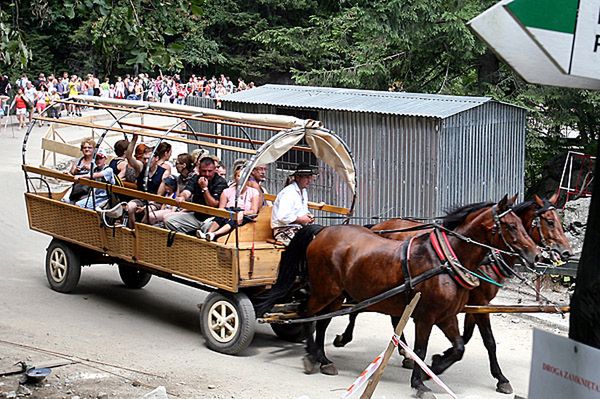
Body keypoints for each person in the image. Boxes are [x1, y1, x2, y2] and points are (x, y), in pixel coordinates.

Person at [164, 156, 228, 234]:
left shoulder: (220, 182)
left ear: (214, 170)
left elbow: (213, 204)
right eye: (204, 171)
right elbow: (187, 191)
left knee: (207, 229)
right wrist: (182, 197)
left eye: (210, 171)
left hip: (212, 218)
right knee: (169, 221)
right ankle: (186, 240)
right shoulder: (196, 178)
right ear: (199, 170)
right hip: (196, 216)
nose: (207, 174)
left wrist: (204, 188)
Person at [197, 163, 260, 241]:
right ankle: (208, 233)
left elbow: (254, 211)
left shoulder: (253, 192)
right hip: (229, 212)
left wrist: (242, 213)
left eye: (244, 176)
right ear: (235, 177)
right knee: (222, 215)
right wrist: (226, 213)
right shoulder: (227, 191)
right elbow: (221, 208)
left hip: (244, 216)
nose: (241, 179)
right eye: (238, 176)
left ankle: (214, 234)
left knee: (234, 218)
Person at [271, 162, 317, 246]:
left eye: (310, 177)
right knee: (307, 244)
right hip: (283, 230)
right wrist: (301, 219)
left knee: (318, 239)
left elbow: (303, 211)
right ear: (298, 177)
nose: (309, 180)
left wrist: (309, 216)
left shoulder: (303, 191)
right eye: (306, 177)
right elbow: (282, 216)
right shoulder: (288, 192)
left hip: (298, 228)